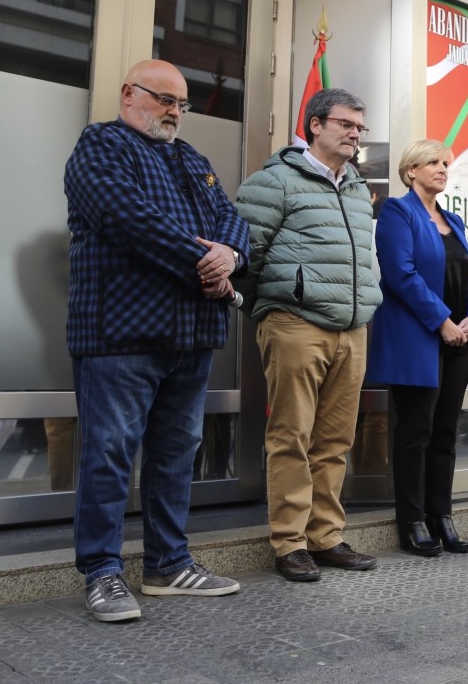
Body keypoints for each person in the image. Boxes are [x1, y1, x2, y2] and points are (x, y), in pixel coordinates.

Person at [65, 60, 250, 622]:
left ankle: (168, 564)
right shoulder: (100, 145)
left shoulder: (193, 159)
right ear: (129, 93)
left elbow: (231, 217)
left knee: (176, 453)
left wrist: (230, 255)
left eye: (181, 103)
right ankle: (102, 571)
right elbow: (128, 219)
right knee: (109, 453)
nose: (175, 111)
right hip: (119, 332)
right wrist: (205, 262)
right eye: (165, 99)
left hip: (191, 334)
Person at [234, 88, 382, 582]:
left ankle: (326, 536)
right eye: (346, 124)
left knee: (335, 440)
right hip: (296, 323)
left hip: (352, 328)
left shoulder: (357, 187)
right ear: (315, 125)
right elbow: (245, 255)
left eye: (359, 127)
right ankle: (290, 542)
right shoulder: (274, 180)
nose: (355, 134)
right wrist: (267, 311)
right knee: (291, 436)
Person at [366, 139, 468, 557]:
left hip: (459, 341)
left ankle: (441, 516)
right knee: (415, 432)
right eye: (432, 162)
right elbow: (400, 274)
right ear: (410, 170)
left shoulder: (453, 219)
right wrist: (442, 321)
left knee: (445, 433)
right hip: (419, 339)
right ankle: (412, 521)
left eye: (445, 162)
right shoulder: (398, 212)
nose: (442, 168)